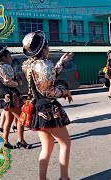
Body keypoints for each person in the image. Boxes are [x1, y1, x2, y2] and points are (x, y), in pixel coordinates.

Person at [22, 30, 73, 180]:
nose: (49, 48)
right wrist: (65, 91)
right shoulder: (44, 65)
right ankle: (64, 178)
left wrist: (61, 63)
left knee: (47, 147)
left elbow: (46, 78)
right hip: (48, 109)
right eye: (48, 45)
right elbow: (48, 90)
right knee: (65, 144)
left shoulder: (29, 65)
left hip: (38, 108)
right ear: (44, 48)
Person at [0, 45, 30, 149]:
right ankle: (20, 140)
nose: (11, 57)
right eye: (9, 55)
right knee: (21, 118)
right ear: (4, 57)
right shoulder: (6, 66)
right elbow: (8, 81)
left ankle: (5, 140)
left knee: (9, 119)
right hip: (10, 94)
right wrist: (19, 82)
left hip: (3, 94)